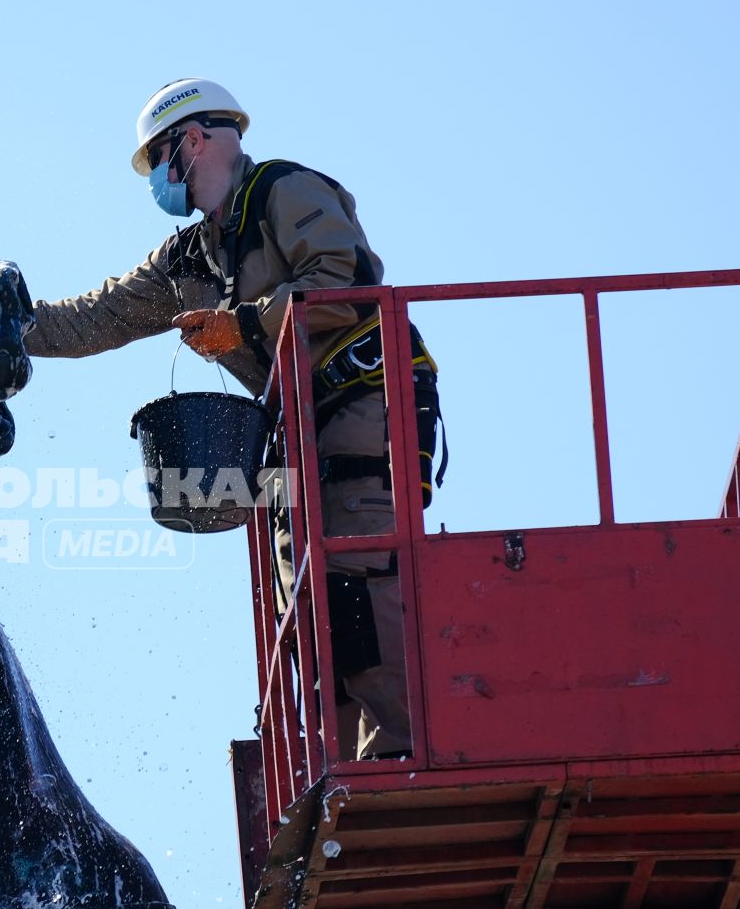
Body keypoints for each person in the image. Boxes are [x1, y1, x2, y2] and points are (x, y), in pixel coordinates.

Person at [25, 79, 440, 760]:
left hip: (367, 404)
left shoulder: (285, 190)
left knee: (359, 581)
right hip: (294, 436)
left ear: (192, 141)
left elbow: (348, 280)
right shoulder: (188, 260)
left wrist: (243, 323)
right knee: (305, 613)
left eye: (159, 158)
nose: (157, 178)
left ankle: (405, 760)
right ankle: (341, 770)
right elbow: (93, 318)